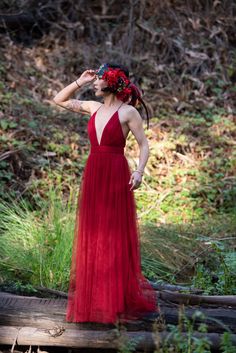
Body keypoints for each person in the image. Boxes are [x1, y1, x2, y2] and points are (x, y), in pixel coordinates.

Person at [53, 63, 158, 324]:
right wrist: (80, 81)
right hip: (95, 172)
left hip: (115, 173)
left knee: (112, 234)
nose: (95, 83)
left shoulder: (128, 112)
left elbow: (144, 145)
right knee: (93, 233)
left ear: (111, 83)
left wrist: (139, 171)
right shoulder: (93, 108)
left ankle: (113, 300)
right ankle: (95, 299)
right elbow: (58, 99)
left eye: (99, 79)